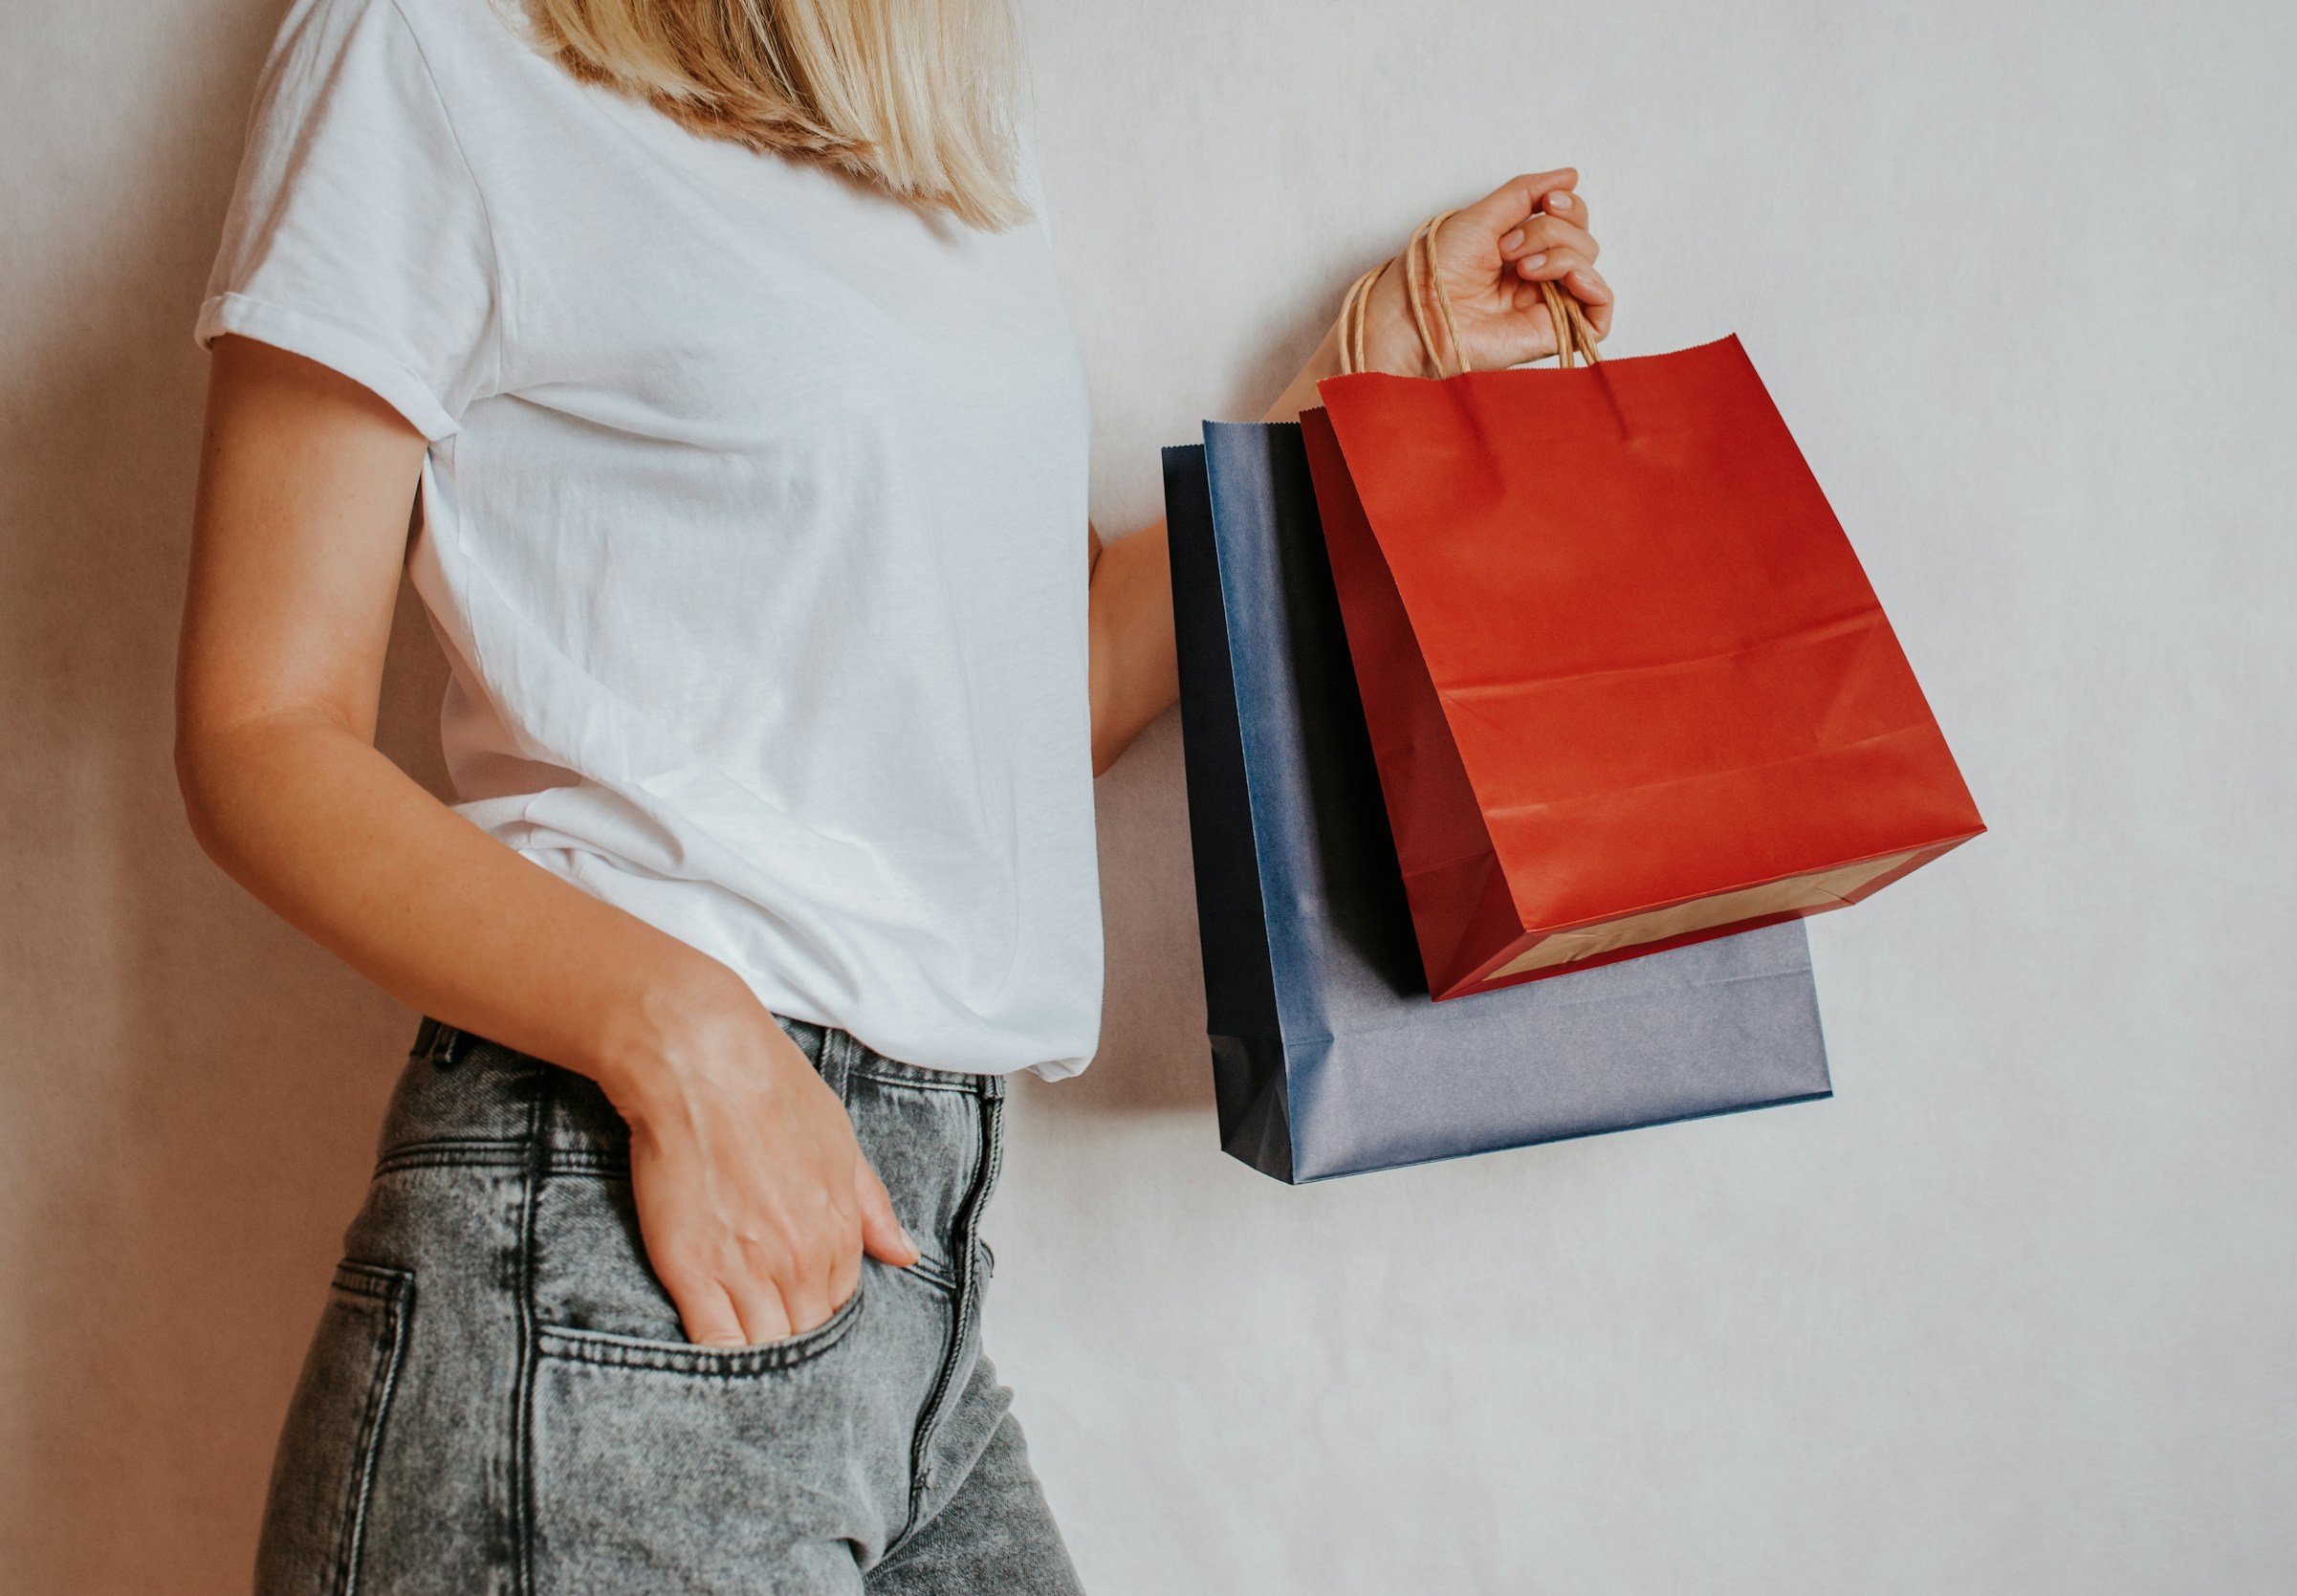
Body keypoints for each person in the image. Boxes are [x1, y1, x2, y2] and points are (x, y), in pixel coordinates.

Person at [176, 0, 1615, 1586]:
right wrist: (686, 1039)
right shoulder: (436, 46)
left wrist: (1359, 382)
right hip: (614, 1221)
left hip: (911, 1271)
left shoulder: (936, 124)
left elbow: (1041, 691)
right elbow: (261, 729)